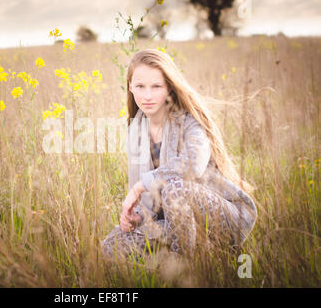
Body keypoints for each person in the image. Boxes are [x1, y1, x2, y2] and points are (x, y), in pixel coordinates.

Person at [101, 48, 257, 261]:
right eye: (140, 86)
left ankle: (187, 269)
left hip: (223, 219)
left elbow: (192, 165)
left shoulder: (189, 123)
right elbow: (150, 203)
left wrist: (139, 186)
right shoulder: (136, 131)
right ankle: (186, 256)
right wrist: (136, 217)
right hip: (175, 224)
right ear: (130, 87)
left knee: (175, 187)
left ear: (169, 88)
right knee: (111, 246)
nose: (147, 95)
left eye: (156, 86)